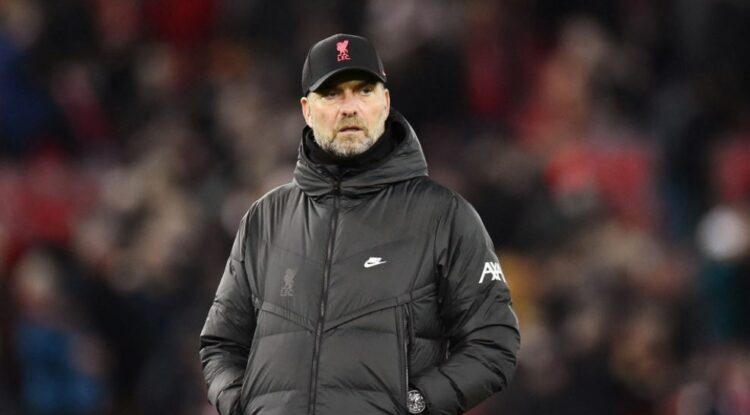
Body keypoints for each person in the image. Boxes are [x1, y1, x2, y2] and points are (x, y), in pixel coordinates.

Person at [200, 33, 520, 415]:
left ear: (385, 102)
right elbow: (221, 344)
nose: (349, 107)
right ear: (306, 110)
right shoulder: (265, 219)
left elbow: (494, 343)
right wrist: (241, 404)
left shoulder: (444, 216)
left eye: (364, 90)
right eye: (332, 94)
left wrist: (416, 403)